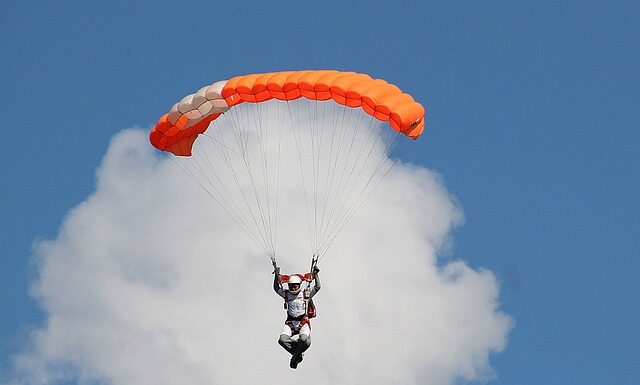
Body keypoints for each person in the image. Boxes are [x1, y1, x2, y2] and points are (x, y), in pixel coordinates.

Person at [273, 264, 321, 369]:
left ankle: (296, 355)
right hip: (290, 322)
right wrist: (276, 276)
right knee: (282, 340)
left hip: (303, 322)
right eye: (291, 286)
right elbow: (276, 288)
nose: (293, 287)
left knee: (303, 339)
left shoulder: (305, 294)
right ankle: (298, 354)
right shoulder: (286, 294)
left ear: (299, 285)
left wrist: (316, 275)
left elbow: (317, 287)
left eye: (295, 285)